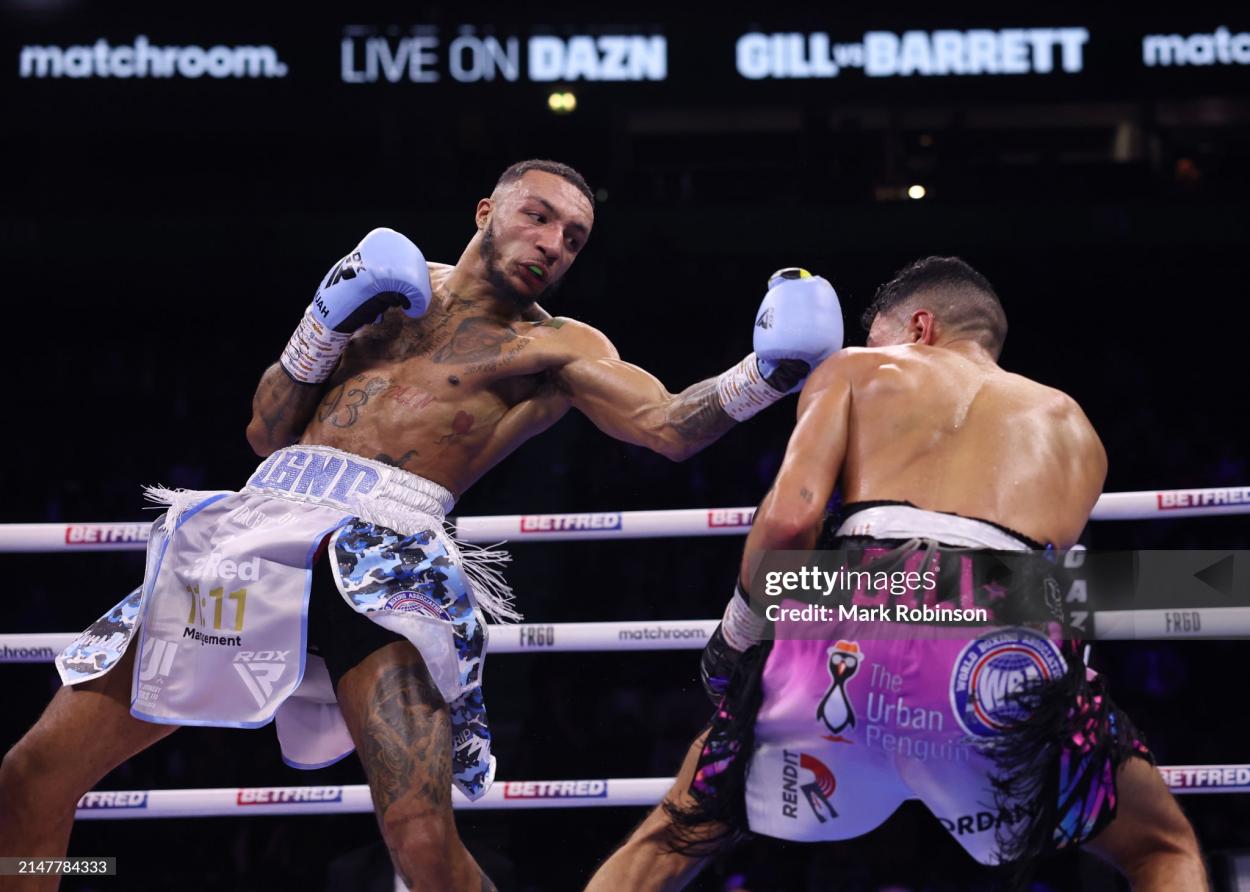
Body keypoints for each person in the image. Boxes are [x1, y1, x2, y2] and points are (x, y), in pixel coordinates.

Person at [0, 159, 843, 892]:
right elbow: (264, 433)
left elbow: (665, 425)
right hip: (258, 523)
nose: (553, 244)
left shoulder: (556, 349)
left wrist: (761, 374)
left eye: (575, 238)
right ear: (488, 212)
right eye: (538, 216)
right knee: (34, 771)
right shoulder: (388, 292)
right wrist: (323, 319)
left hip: (388, 558)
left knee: (423, 850)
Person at [585, 257, 1207, 892]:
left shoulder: (856, 369)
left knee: (671, 839)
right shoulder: (1075, 427)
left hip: (853, 604)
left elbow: (791, 522)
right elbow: (1043, 596)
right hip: (1000, 634)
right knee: (1161, 848)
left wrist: (739, 638)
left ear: (919, 327)